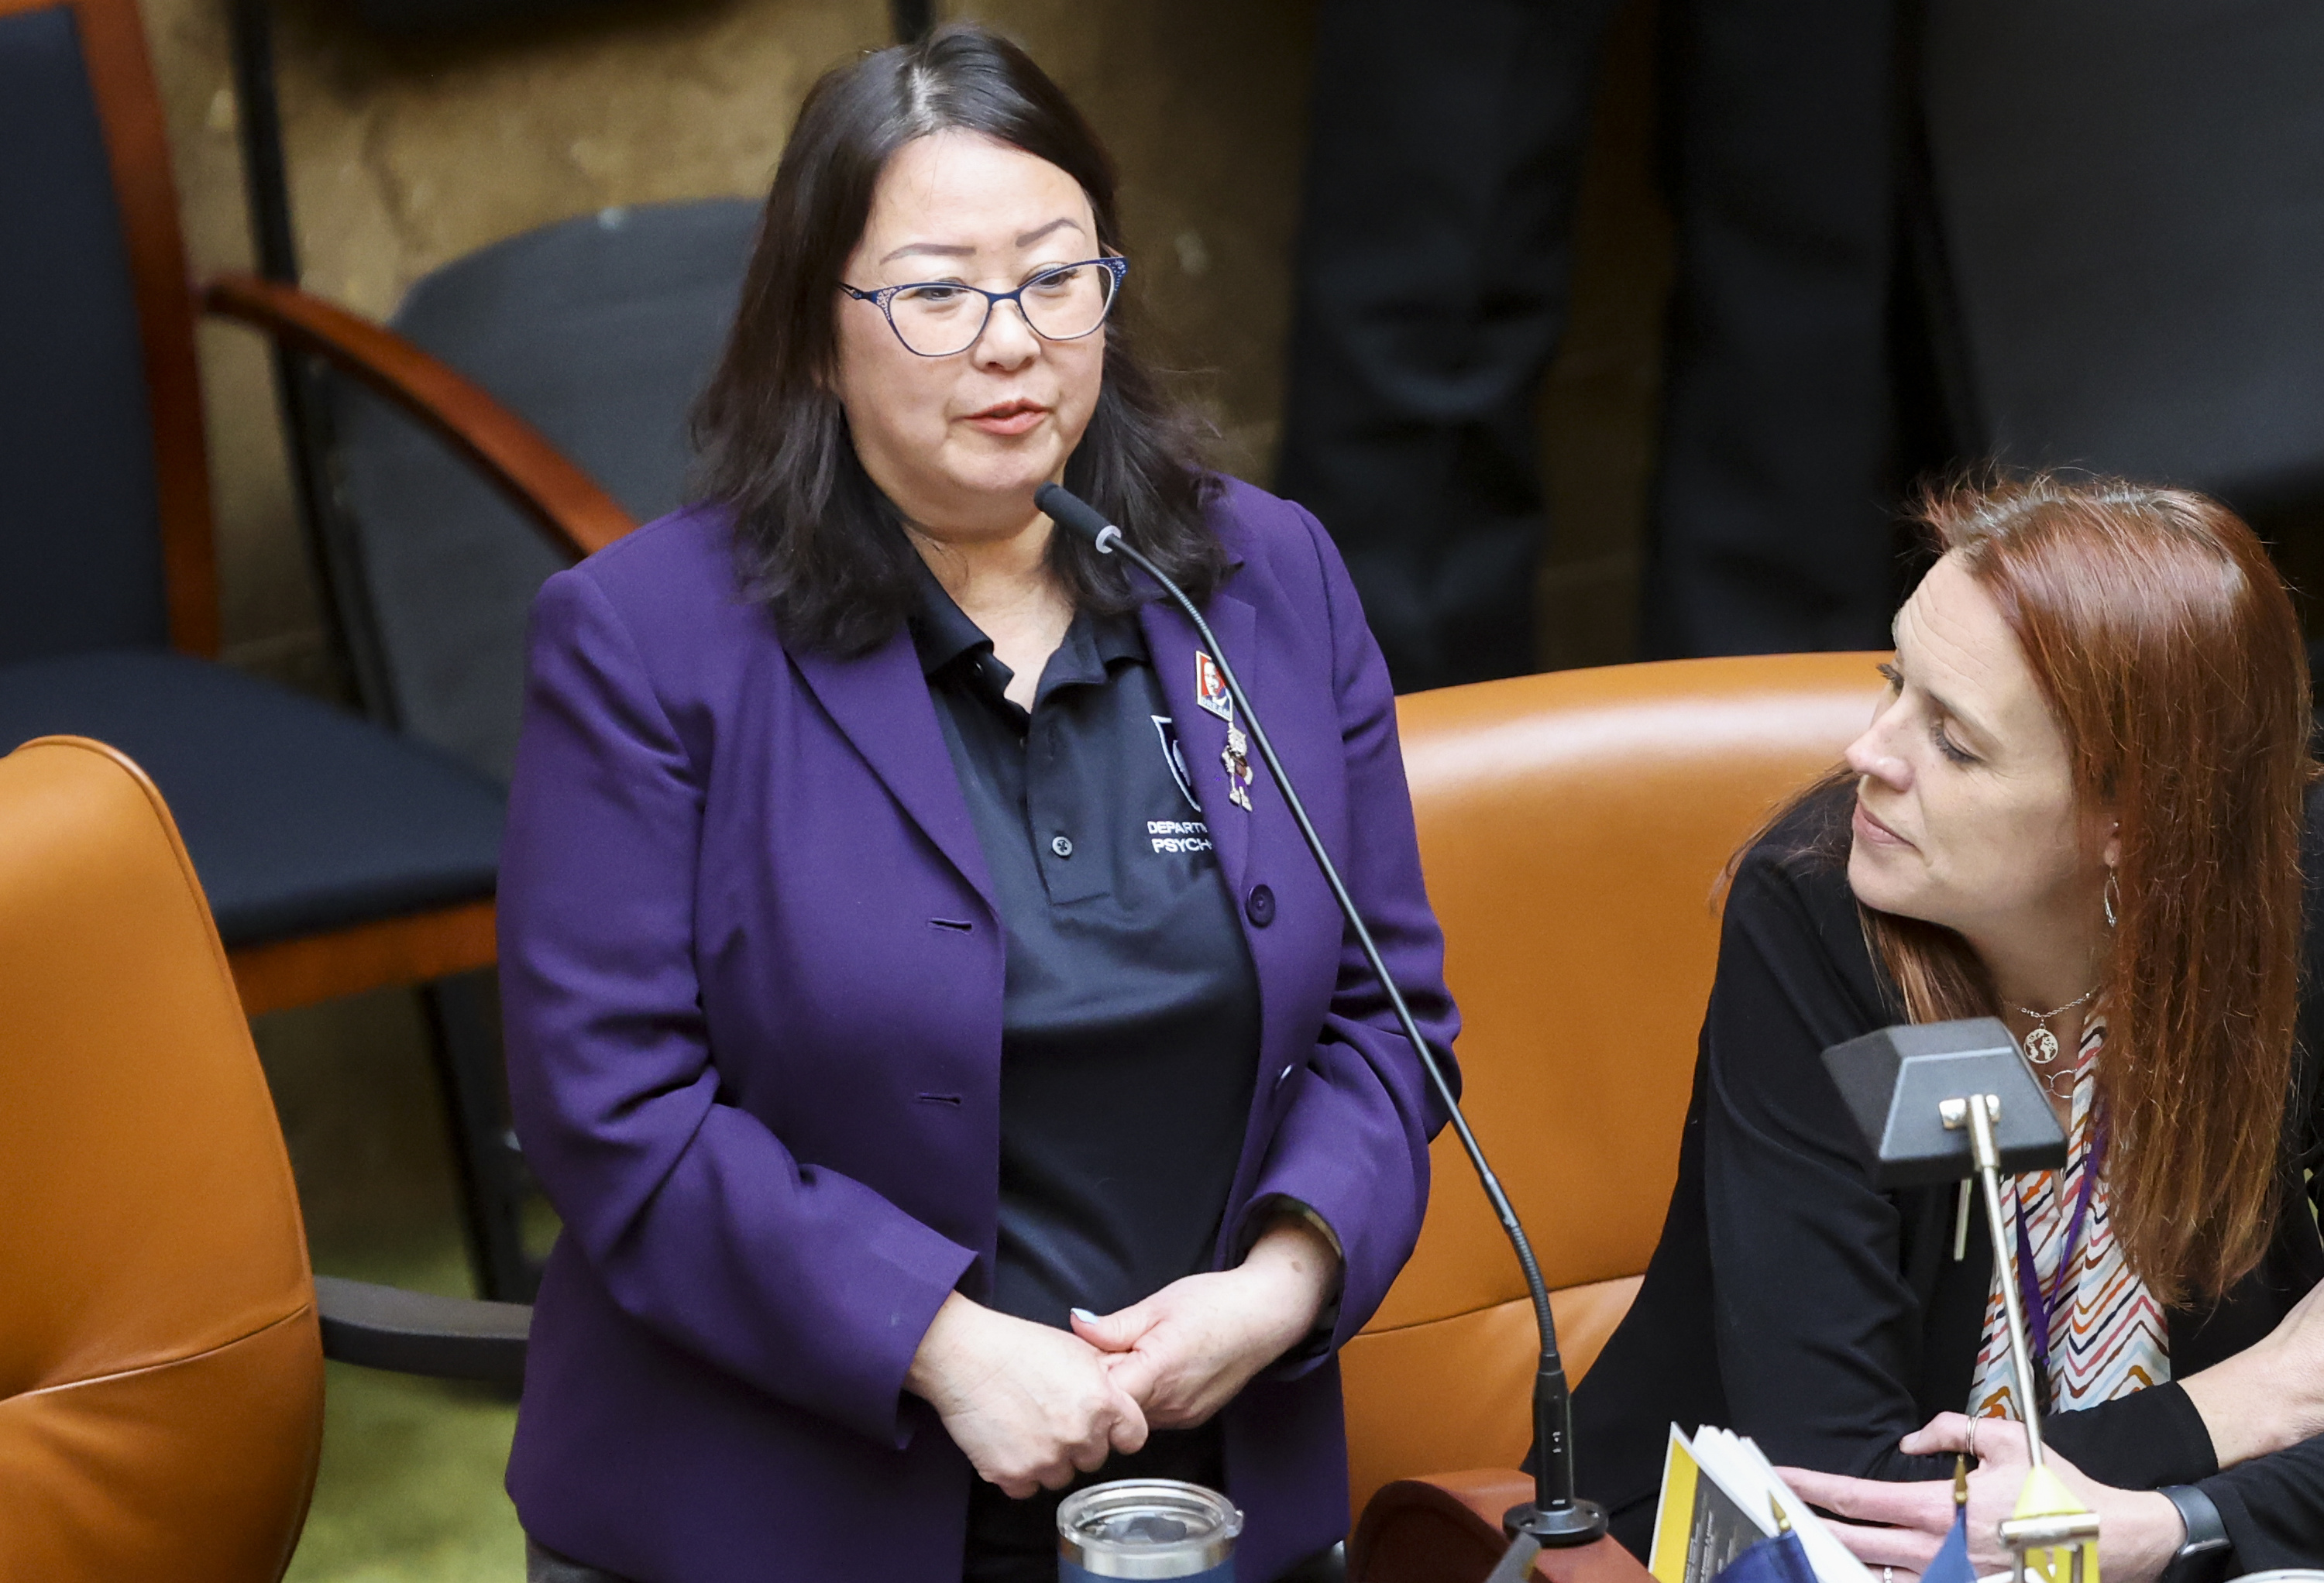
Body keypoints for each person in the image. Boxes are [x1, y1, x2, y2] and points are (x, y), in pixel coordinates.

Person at [494, 26, 1456, 1583]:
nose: (1011, 343)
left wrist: (1283, 1282)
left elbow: (1386, 1013)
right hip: (774, 1511)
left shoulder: (1263, 578)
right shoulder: (646, 640)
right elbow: (613, 1109)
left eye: (1056, 277)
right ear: (817, 332)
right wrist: (937, 1343)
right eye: (937, 293)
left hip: (1193, 1496)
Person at [1566, 475, 2324, 1579]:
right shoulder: (1813, 914)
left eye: (1955, 744)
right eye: (1893, 683)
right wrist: (2239, 1409)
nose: (1870, 752)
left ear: (2134, 820)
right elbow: (1855, 1489)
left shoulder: (2292, 893)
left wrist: (2170, 1528)